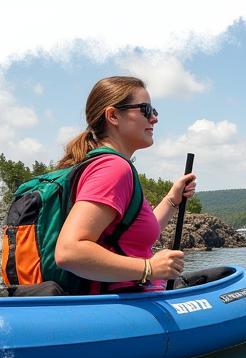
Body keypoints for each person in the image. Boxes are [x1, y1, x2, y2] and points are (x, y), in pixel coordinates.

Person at [53, 76, 195, 292]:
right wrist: (149, 267)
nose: (154, 118)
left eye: (154, 110)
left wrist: (172, 200)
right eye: (146, 110)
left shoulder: (101, 164)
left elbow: (130, 235)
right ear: (113, 116)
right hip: (121, 307)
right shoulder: (113, 169)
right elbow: (69, 251)